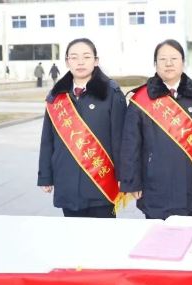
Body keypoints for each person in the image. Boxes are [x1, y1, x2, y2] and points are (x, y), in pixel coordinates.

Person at [119, 39, 192, 219]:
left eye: (174, 58)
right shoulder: (140, 99)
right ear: (155, 64)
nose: (168, 63)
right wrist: (132, 182)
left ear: (183, 62)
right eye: (162, 59)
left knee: (187, 233)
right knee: (156, 234)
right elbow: (131, 143)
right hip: (154, 183)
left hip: (190, 182)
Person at [37, 38, 127, 217]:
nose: (80, 62)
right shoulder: (57, 97)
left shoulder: (111, 93)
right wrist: (45, 176)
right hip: (67, 182)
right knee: (72, 232)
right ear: (67, 62)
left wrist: (124, 177)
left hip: (101, 183)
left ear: (96, 61)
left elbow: (121, 139)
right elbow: (47, 139)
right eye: (74, 57)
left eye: (86, 57)